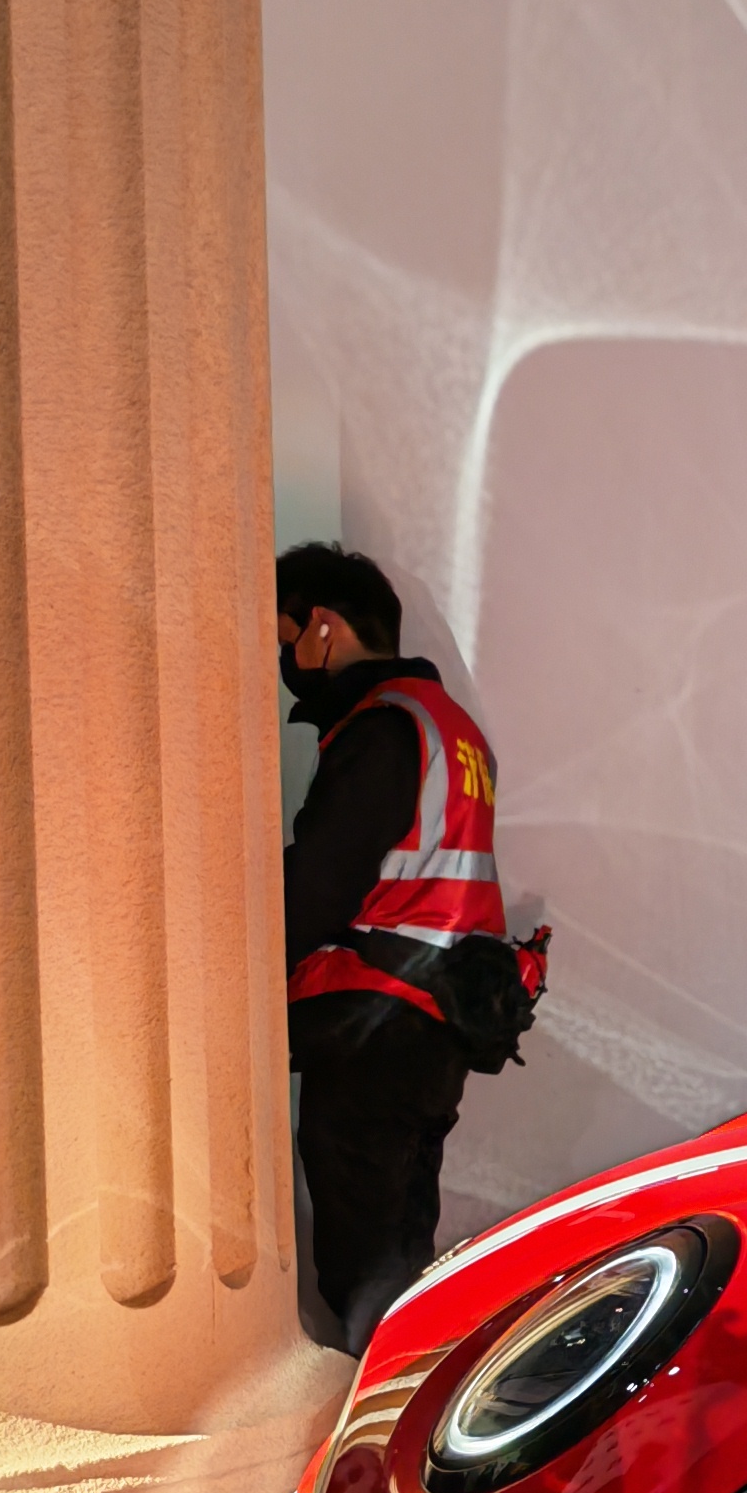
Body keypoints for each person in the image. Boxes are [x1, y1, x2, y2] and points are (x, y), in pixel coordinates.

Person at [276, 544, 516, 1348]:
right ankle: (413, 1388)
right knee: (404, 1251)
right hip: (439, 1023)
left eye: (283, 637)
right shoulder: (452, 729)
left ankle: (380, 1407)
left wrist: (236, 979)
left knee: (365, 1270)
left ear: (322, 627)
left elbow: (320, 884)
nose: (282, 660)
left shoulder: (384, 729)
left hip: (375, 1026)